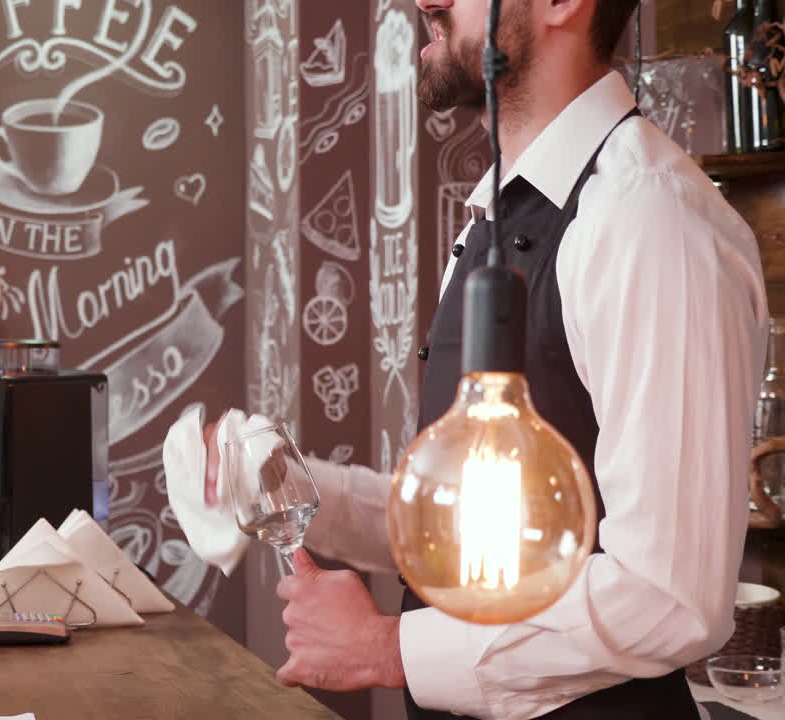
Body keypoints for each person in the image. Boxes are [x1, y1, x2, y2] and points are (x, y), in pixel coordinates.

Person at [203, 0, 768, 718]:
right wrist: (293, 494)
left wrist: (390, 649)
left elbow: (667, 597)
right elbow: (483, 530)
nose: (424, 1)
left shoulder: (649, 219)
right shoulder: (503, 214)